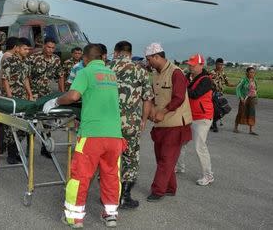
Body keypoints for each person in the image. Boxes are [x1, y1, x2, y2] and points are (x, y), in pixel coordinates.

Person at [43, 44, 125, 228]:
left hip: (92, 135)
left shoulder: (86, 72)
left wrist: (55, 101)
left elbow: (73, 96)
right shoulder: (111, 75)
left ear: (85, 59)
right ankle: (111, 215)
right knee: (111, 174)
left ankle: (74, 218)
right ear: (102, 58)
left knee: (80, 175)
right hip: (115, 136)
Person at [145, 43, 192, 202]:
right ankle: (170, 188)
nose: (148, 62)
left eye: (149, 59)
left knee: (166, 158)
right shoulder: (156, 74)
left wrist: (162, 112)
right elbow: (153, 96)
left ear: (157, 56)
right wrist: (152, 111)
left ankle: (158, 191)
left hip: (176, 124)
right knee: (162, 158)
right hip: (161, 124)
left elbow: (179, 97)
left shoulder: (176, 72)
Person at [108, 41, 153, 209]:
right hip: (131, 124)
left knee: (108, 158)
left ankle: (108, 195)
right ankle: (124, 196)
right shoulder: (140, 70)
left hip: (108, 123)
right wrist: (143, 120)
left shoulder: (106, 69)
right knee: (130, 158)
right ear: (130, 52)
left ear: (116, 51)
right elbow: (147, 99)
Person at [176, 54, 215, 186]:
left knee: (200, 146)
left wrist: (181, 87)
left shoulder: (206, 80)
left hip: (202, 117)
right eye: (189, 64)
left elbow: (194, 94)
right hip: (189, 115)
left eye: (193, 65)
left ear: (201, 65)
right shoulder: (188, 76)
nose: (190, 67)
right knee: (181, 142)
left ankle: (208, 175)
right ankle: (179, 167)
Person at [28, 37, 64, 158]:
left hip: (46, 94)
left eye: (53, 48)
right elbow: (26, 76)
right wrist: (29, 94)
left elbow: (60, 76)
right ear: (44, 46)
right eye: (48, 47)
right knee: (30, 121)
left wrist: (62, 92)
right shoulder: (34, 57)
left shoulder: (56, 60)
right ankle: (27, 150)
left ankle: (46, 147)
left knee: (47, 122)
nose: (50, 50)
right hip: (33, 93)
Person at [1, 37, 33, 164]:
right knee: (11, 126)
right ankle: (11, 154)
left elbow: (25, 79)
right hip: (12, 97)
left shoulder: (26, 62)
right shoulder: (9, 61)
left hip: (22, 98)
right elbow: (5, 80)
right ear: (18, 48)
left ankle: (16, 152)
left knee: (22, 126)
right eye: (25, 49)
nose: (27, 51)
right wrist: (10, 97)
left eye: (28, 49)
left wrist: (30, 94)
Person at [209, 58, 235, 132]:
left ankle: (213, 122)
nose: (220, 66)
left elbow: (227, 83)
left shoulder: (223, 73)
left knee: (226, 109)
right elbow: (207, 82)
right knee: (216, 110)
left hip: (220, 94)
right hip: (212, 94)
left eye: (221, 64)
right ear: (216, 64)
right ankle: (214, 125)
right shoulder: (211, 73)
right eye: (219, 64)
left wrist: (236, 85)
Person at [234, 67, 258, 135]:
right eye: (251, 72)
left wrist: (256, 98)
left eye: (253, 72)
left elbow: (256, 90)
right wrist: (240, 97)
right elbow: (238, 88)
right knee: (241, 112)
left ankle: (250, 130)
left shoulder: (254, 81)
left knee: (251, 113)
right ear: (247, 73)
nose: (252, 74)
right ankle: (235, 128)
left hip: (252, 99)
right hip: (244, 99)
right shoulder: (243, 80)